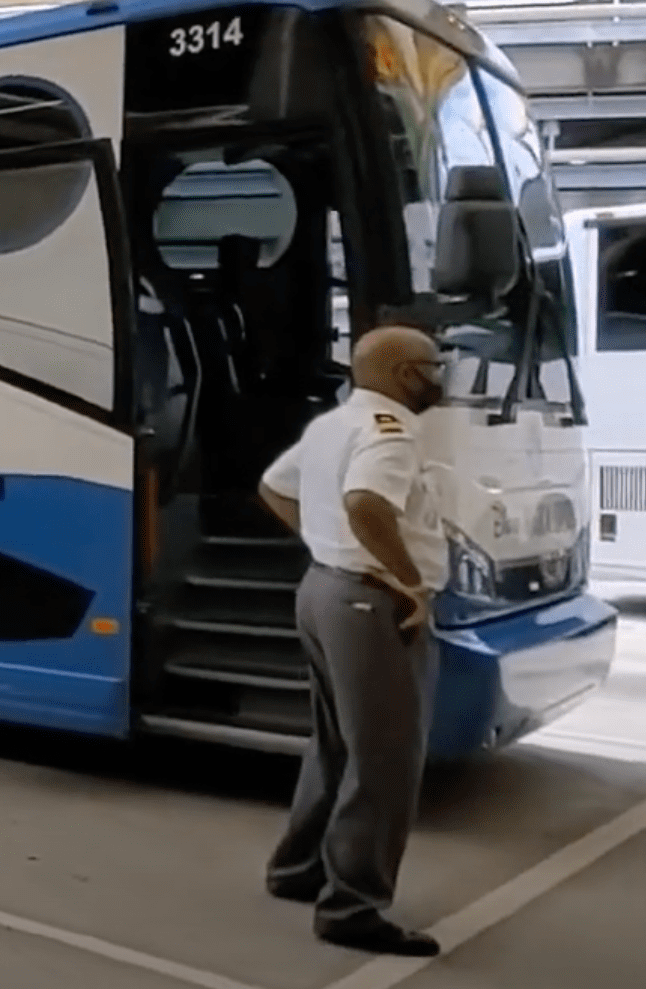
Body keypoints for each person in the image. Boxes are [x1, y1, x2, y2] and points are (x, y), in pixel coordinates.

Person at [253, 324, 448, 958]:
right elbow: (367, 501)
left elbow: (275, 486)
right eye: (431, 364)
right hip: (369, 602)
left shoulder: (333, 423)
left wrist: (326, 543)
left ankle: (298, 870)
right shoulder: (391, 431)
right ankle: (352, 907)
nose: (440, 375)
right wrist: (408, 580)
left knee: (335, 744)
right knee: (386, 760)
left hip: (323, 591)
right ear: (399, 373)